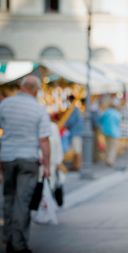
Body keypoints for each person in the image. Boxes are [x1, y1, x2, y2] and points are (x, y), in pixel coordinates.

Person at [0, 75, 51, 253]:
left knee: (8, 198)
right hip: (28, 159)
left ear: (22, 87)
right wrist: (47, 165)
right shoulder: (38, 109)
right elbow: (44, 140)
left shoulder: (5, 104)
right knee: (22, 202)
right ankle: (19, 245)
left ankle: (7, 239)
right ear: (36, 90)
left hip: (7, 158)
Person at [98, 99, 122, 167]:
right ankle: (110, 160)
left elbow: (100, 120)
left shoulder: (106, 112)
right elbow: (118, 122)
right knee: (113, 147)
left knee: (108, 146)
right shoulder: (116, 113)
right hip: (114, 132)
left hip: (106, 131)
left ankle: (107, 159)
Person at [64, 95, 84, 170]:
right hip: (77, 132)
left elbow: (70, 121)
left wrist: (65, 124)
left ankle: (77, 166)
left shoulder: (73, 110)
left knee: (77, 150)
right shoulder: (75, 109)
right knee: (77, 149)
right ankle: (76, 165)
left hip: (76, 132)